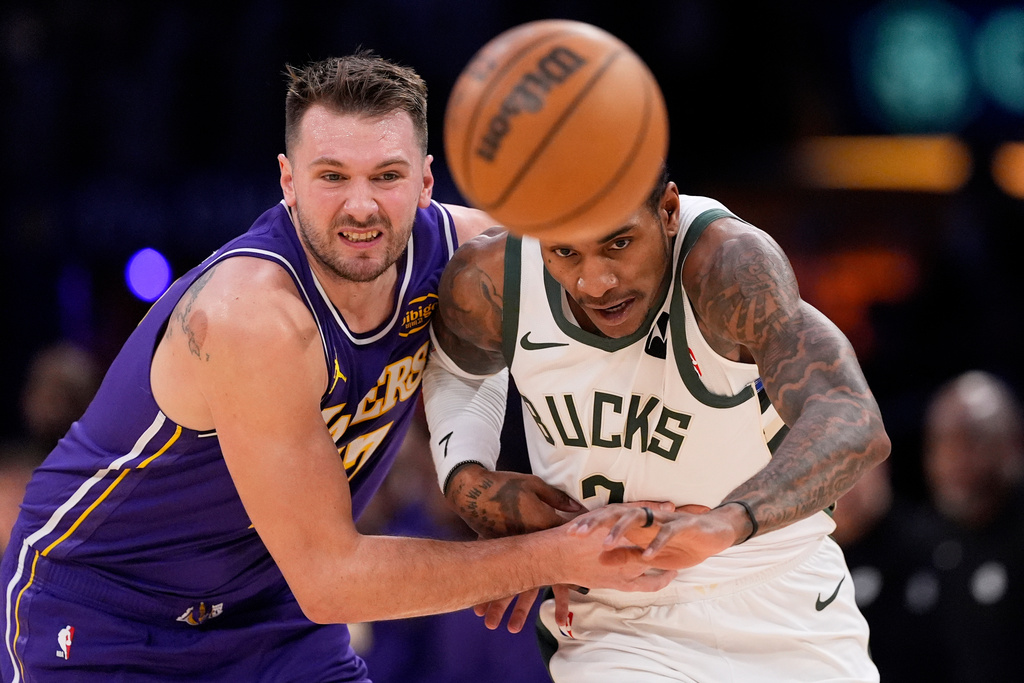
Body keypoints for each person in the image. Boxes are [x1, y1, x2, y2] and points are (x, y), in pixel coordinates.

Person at [0, 53, 676, 683]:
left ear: (426, 180)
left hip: (269, 603)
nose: (361, 204)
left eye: (386, 175)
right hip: (108, 609)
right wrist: (556, 552)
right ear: (289, 182)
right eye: (332, 176)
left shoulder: (467, 255)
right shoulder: (252, 317)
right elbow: (332, 578)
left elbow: (631, 246)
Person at [423, 170, 892, 682]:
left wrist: (725, 522)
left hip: (782, 587)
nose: (595, 282)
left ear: (667, 211)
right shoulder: (493, 276)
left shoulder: (727, 263)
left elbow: (852, 417)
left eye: (618, 243)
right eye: (565, 253)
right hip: (617, 615)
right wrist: (465, 475)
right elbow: (459, 367)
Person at [921, 370, 1024, 683]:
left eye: (972, 439)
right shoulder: (926, 546)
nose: (953, 458)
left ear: (1014, 443)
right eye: (942, 442)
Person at [831, 458, 953, 682]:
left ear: (882, 464)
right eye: (827, 474)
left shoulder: (934, 547)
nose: (843, 485)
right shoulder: (806, 568)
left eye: (854, 468)